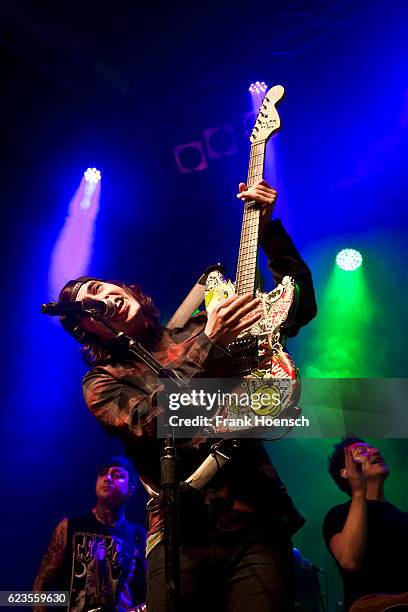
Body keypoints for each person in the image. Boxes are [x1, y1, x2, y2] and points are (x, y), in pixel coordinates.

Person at [56, 180, 317, 612]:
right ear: (89, 331)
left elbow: (297, 307)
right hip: (179, 536)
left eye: (103, 288)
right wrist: (211, 347)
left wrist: (270, 230)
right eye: (91, 306)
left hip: (255, 523)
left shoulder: (201, 325)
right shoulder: (102, 382)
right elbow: (154, 421)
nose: (105, 299)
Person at [33, 456, 146, 612]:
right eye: (103, 473)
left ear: (131, 488)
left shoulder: (139, 536)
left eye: (117, 475)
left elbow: (149, 591)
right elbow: (41, 583)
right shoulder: (69, 527)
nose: (107, 478)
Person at [322, 436, 408, 611]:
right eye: (362, 451)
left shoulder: (404, 518)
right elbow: (349, 560)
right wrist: (359, 492)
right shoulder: (339, 515)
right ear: (346, 471)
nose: (375, 451)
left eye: (373, 448)